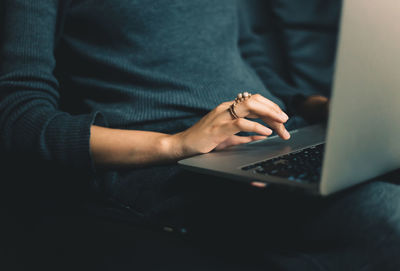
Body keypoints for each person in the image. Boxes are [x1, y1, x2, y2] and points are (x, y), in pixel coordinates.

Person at [0, 1, 399, 270]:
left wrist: (317, 105)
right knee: (388, 216)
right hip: (167, 165)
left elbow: (246, 60)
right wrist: (176, 145)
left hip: (276, 137)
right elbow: (18, 117)